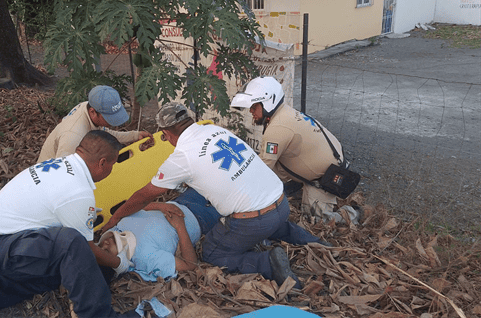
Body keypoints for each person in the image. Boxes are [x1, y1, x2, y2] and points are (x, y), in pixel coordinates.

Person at [102, 102, 328, 289]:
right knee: (266, 217)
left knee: (212, 253)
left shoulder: (183, 157)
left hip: (254, 220)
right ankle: (316, 242)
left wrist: (115, 218)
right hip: (280, 202)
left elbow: (143, 196)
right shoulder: (214, 130)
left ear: (166, 133)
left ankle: (267, 262)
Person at [0, 131, 140, 318]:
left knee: (62, 270)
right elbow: (86, 248)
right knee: (72, 245)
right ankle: (98, 315)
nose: (112, 170)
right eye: (112, 165)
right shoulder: (78, 191)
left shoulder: (62, 165)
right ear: (102, 163)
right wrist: (119, 263)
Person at [230, 76, 354, 222]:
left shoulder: (277, 128)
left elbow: (263, 168)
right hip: (320, 164)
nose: (251, 111)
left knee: (318, 222)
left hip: (325, 178)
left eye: (254, 107)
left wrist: (237, 191)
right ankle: (295, 190)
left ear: (268, 103)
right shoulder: (283, 113)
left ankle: (352, 214)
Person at [97, 187, 220, 281]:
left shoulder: (116, 227)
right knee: (235, 199)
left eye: (99, 247)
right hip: (201, 219)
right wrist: (180, 226)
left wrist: (161, 205)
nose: (105, 243)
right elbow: (190, 265)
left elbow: (139, 208)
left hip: (182, 201)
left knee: (221, 179)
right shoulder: (146, 259)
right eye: (107, 251)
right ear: (119, 263)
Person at [38, 85, 152, 162]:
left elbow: (105, 132)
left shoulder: (87, 107)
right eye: (109, 118)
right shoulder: (73, 136)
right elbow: (63, 172)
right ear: (93, 112)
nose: (113, 123)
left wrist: (135, 135)